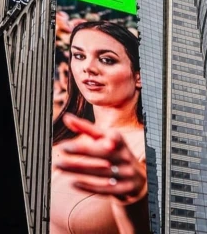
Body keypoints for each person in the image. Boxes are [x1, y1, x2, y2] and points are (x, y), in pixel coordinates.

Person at [50, 21, 150, 234]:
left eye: (106, 60)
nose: (88, 68)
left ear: (139, 76)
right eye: (79, 56)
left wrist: (136, 198)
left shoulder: (148, 149)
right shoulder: (57, 135)